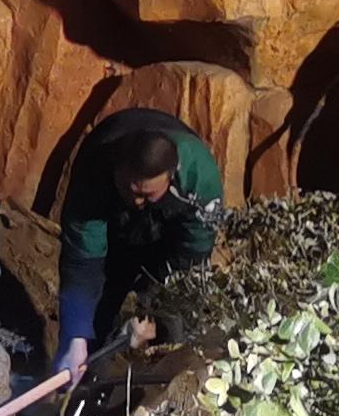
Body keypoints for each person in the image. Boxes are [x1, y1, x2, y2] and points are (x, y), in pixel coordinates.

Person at [52, 105, 224, 379]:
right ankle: (84, 382)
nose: (136, 200)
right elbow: (82, 259)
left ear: (171, 176)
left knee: (173, 329)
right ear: (117, 170)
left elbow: (190, 259)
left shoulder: (199, 179)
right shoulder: (95, 169)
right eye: (130, 190)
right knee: (93, 322)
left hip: (169, 239)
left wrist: (152, 309)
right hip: (113, 229)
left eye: (147, 194)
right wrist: (76, 335)